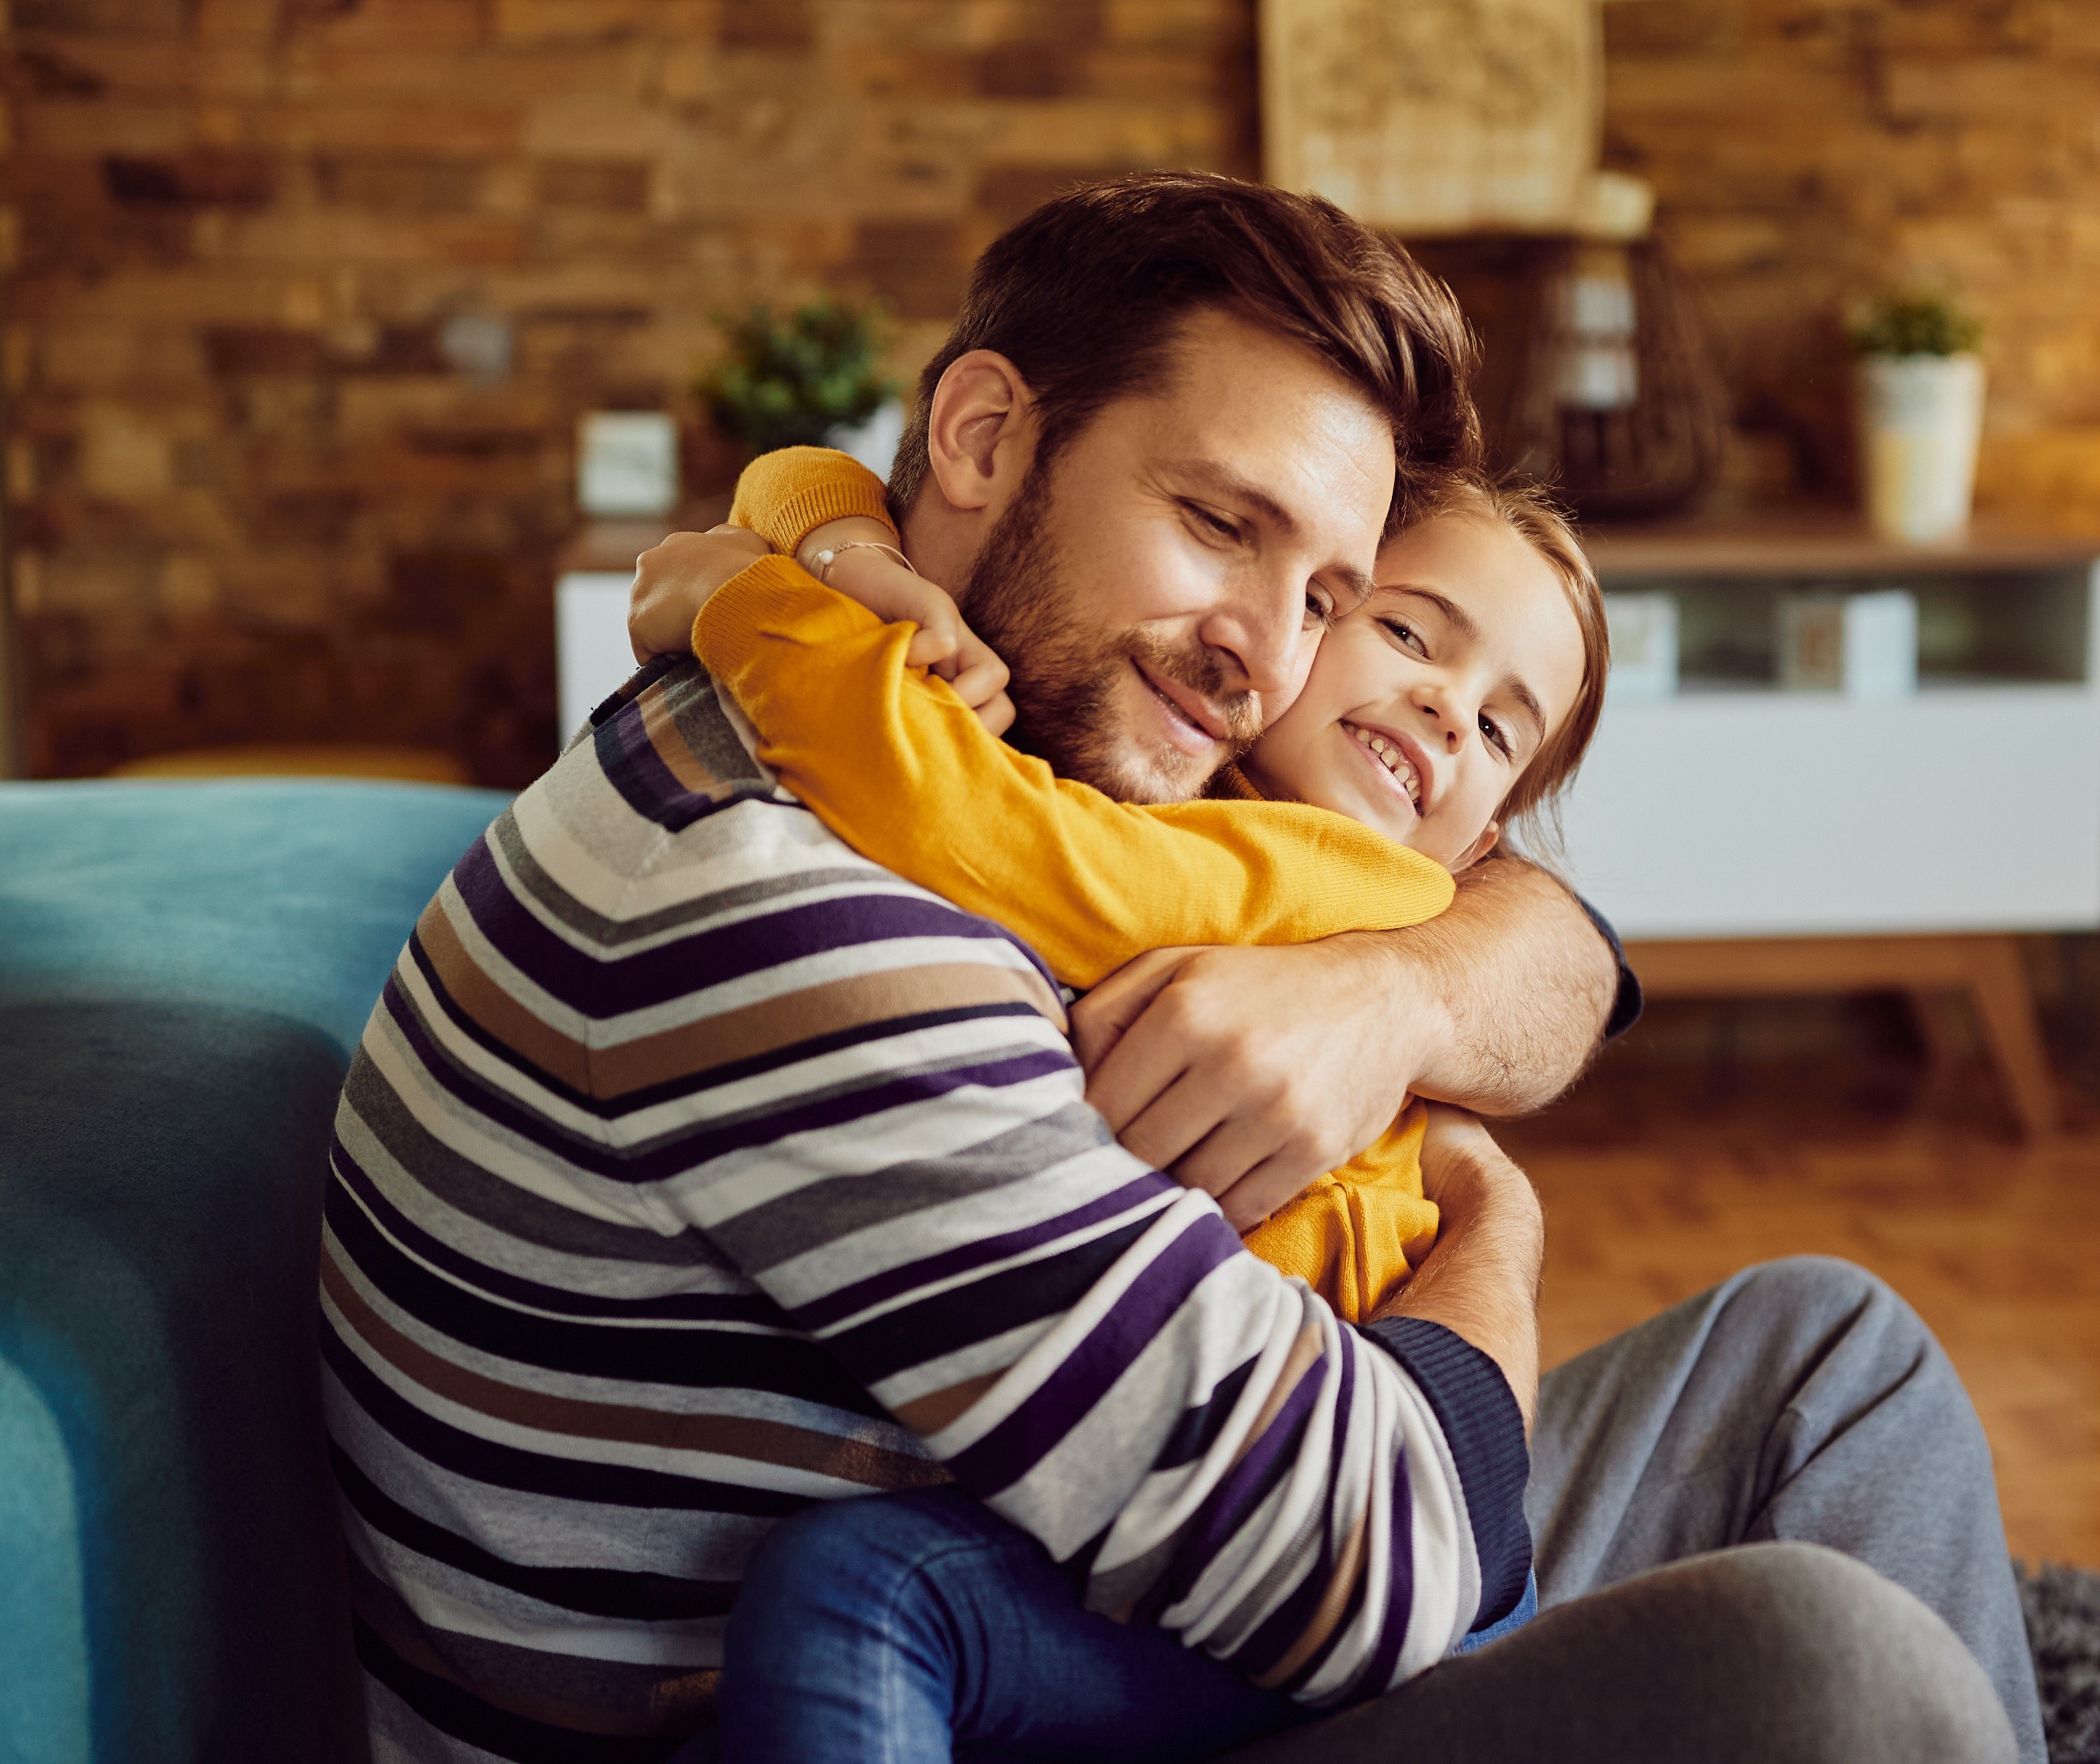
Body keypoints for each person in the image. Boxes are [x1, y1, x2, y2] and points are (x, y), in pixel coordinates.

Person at [319, 172, 2034, 1763]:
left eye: (1328, 595)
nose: (1261, 657)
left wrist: (1401, 999)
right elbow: (1379, 1574)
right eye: (1220, 523)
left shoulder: (918, 705)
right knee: (1827, 1667)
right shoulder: (805, 927)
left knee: (1830, 1355)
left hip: (1135, 1532)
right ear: (984, 437)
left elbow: (1536, 924)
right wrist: (1497, 1227)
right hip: (984, 1678)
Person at [627, 444, 1608, 1325]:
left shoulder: (1357, 876)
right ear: (1301, 620)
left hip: (1278, 1401)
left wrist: (755, 606)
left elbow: (993, 836)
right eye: (1408, 634)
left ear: (1476, 844)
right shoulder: (1166, 761)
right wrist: (860, 560)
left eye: (1493, 731)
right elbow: (798, 469)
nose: (1448, 706)